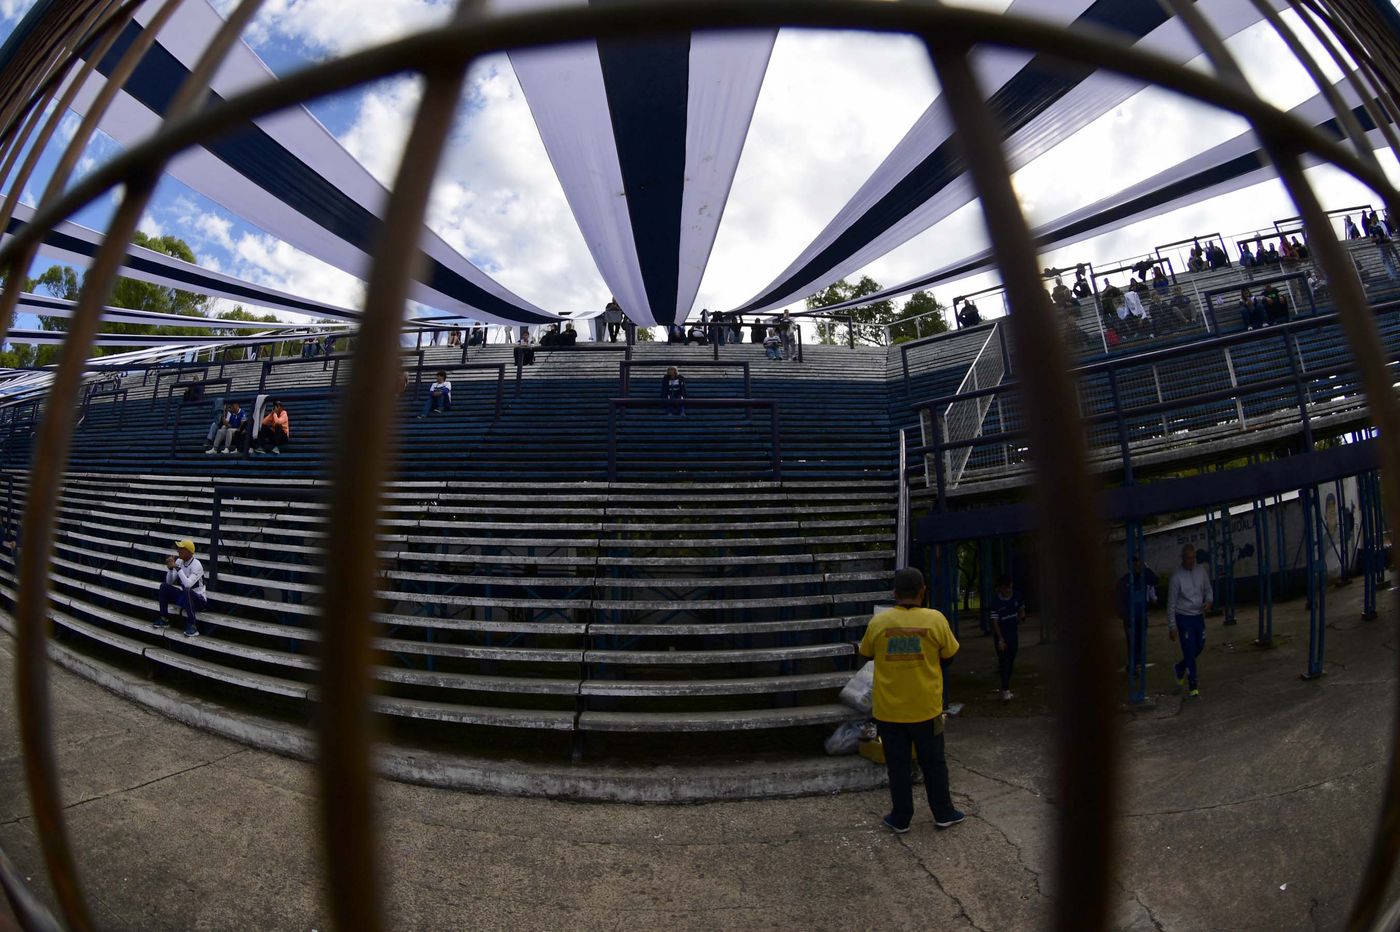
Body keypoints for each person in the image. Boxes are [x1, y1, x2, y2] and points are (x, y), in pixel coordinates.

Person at [857, 567, 964, 834]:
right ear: (922, 592)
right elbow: (949, 656)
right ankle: (943, 812)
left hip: (889, 711)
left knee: (898, 767)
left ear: (894, 594)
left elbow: (866, 653)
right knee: (934, 763)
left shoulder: (879, 623)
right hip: (926, 709)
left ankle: (901, 817)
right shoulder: (935, 620)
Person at [1166, 544, 1213, 699]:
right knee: (1189, 650)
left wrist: (1208, 601)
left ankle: (1180, 667)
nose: (1191, 561)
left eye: (1193, 558)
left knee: (1200, 645)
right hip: (1183, 617)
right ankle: (1193, 685)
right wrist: (1172, 626)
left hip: (1198, 615)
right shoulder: (1176, 578)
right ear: (1183, 558)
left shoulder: (1201, 571)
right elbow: (1171, 603)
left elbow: (1208, 589)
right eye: (1188, 558)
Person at [1116, 556, 1158, 684]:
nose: (1137, 567)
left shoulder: (1143, 578)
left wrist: (1145, 568)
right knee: (1132, 642)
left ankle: (1135, 665)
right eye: (1135, 565)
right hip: (1130, 618)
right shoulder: (1125, 581)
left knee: (1140, 642)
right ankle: (1133, 667)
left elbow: (1154, 580)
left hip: (1141, 616)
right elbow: (1119, 600)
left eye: (1138, 565)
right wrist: (1124, 615)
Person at [153, 539, 207, 638]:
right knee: (164, 587)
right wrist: (170, 569)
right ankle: (164, 619)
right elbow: (169, 582)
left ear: (188, 551)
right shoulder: (179, 561)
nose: (178, 550)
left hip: (198, 600)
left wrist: (177, 568)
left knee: (187, 590)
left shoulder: (197, 565)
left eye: (181, 549)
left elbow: (188, 585)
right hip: (185, 597)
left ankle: (192, 625)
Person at [987, 574, 1024, 702]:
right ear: (1000, 588)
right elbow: (995, 622)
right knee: (1004, 662)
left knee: (1011, 660)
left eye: (1010, 587)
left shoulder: (1016, 596)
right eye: (1006, 587)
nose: (1009, 590)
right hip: (1002, 636)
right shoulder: (995, 603)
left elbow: (1021, 609)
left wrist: (1020, 617)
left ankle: (1006, 685)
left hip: (1013, 634)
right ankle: (1005, 689)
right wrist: (1000, 639)